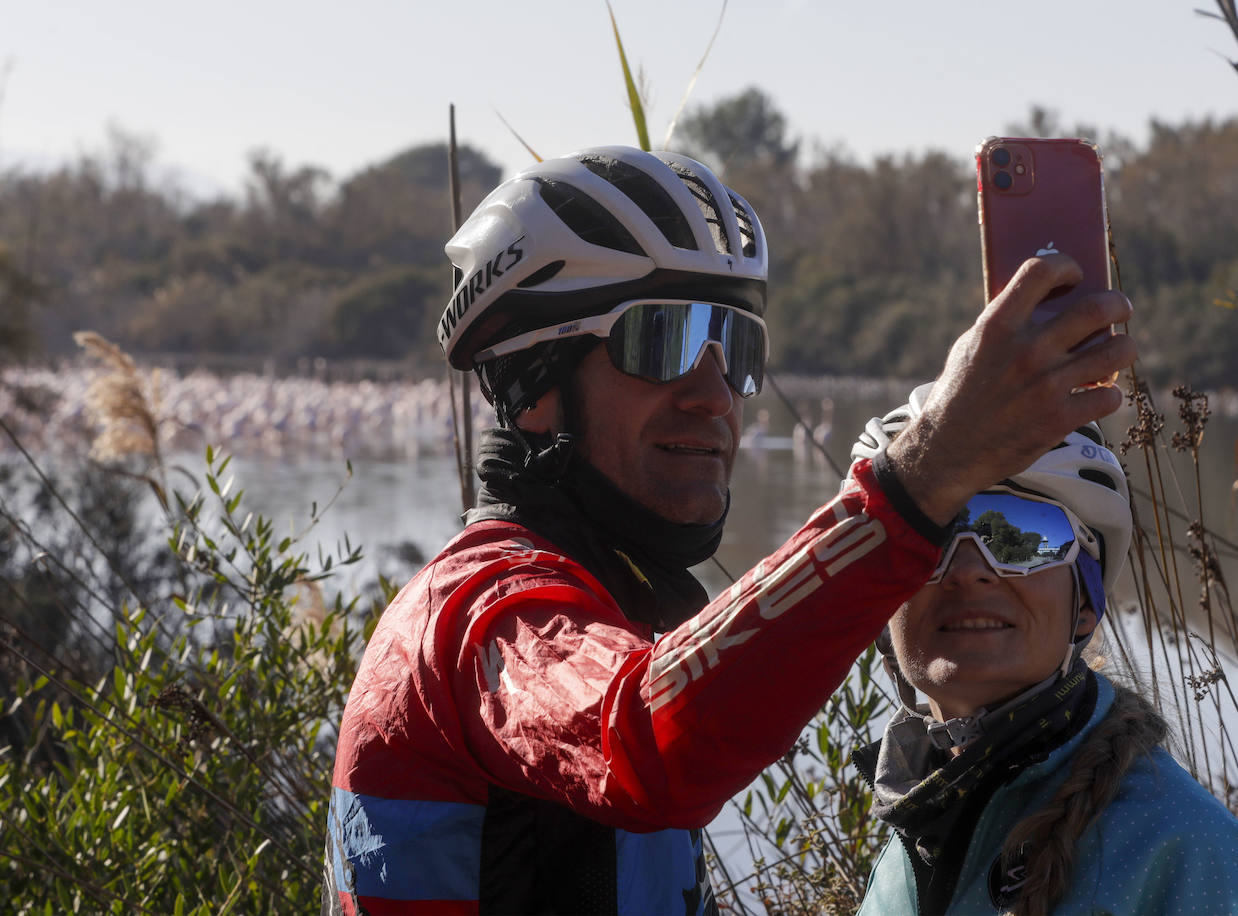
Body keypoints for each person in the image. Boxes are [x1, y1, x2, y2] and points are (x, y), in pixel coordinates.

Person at [328, 146, 1136, 914]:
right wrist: (919, 475)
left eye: (736, 348)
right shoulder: (484, 612)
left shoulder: (607, 606)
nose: (715, 394)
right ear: (535, 380)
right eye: (662, 339)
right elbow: (644, 742)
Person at [851, 385, 1238, 916]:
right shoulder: (918, 812)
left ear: (1086, 602)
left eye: (1022, 534)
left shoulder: (1184, 848)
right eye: (929, 542)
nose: (968, 572)